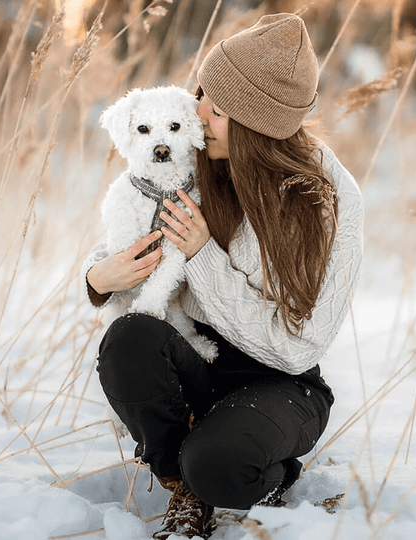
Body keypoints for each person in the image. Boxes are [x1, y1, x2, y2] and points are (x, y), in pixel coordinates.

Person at [82, 13, 364, 540]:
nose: (198, 112)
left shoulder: (328, 199)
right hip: (199, 358)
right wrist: (100, 274)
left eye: (218, 108)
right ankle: (180, 480)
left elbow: (298, 350)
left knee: (220, 466)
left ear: (256, 123)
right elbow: (133, 220)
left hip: (281, 382)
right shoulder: (199, 155)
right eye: (203, 93)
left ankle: (254, 470)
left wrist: (203, 255)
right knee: (129, 338)